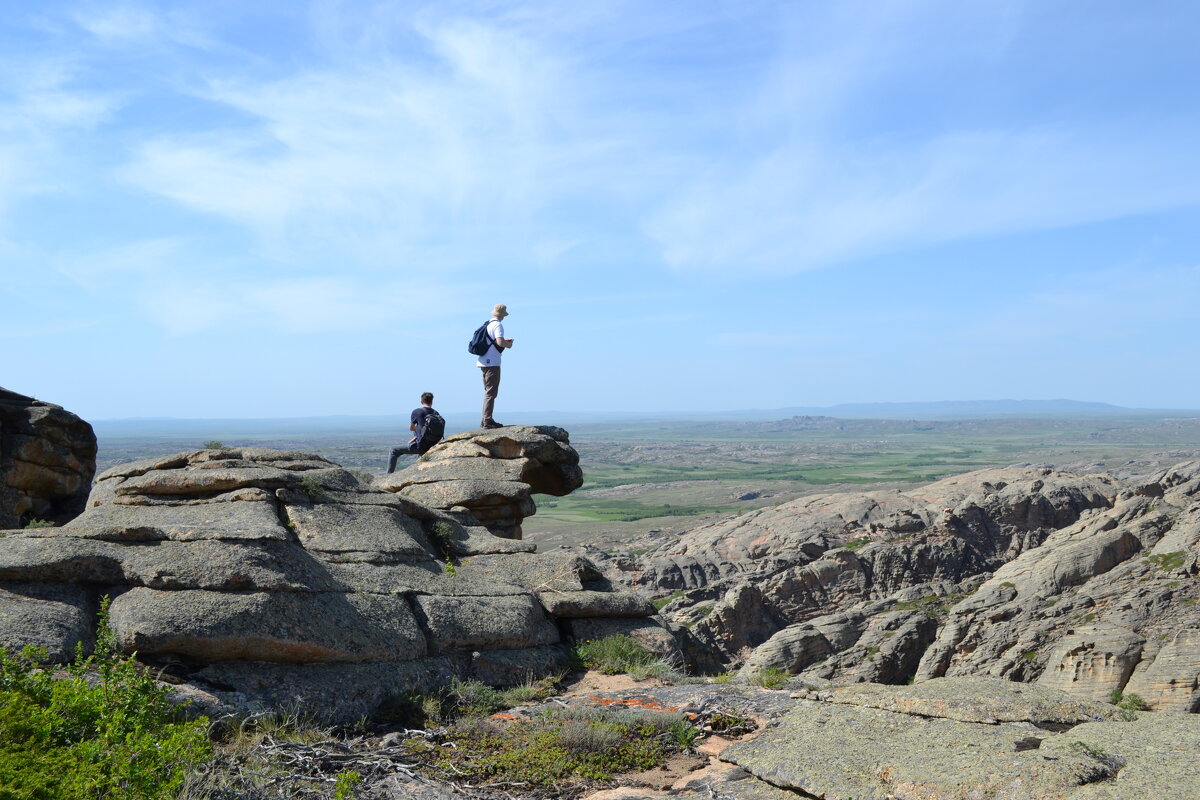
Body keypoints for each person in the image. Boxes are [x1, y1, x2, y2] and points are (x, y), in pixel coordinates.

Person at [476, 303, 513, 429]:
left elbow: (491, 340)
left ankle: (485, 419)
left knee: (488, 391)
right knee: (491, 393)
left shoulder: (488, 324)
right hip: (492, 362)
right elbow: (499, 342)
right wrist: (509, 344)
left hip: (483, 361)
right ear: (502, 315)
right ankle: (487, 420)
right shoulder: (498, 325)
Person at [386, 392, 441, 473]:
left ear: (421, 401)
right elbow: (428, 430)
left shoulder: (417, 412)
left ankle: (388, 476)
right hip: (432, 445)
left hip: (421, 446)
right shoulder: (436, 413)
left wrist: (417, 433)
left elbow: (411, 428)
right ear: (432, 402)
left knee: (394, 450)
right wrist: (416, 436)